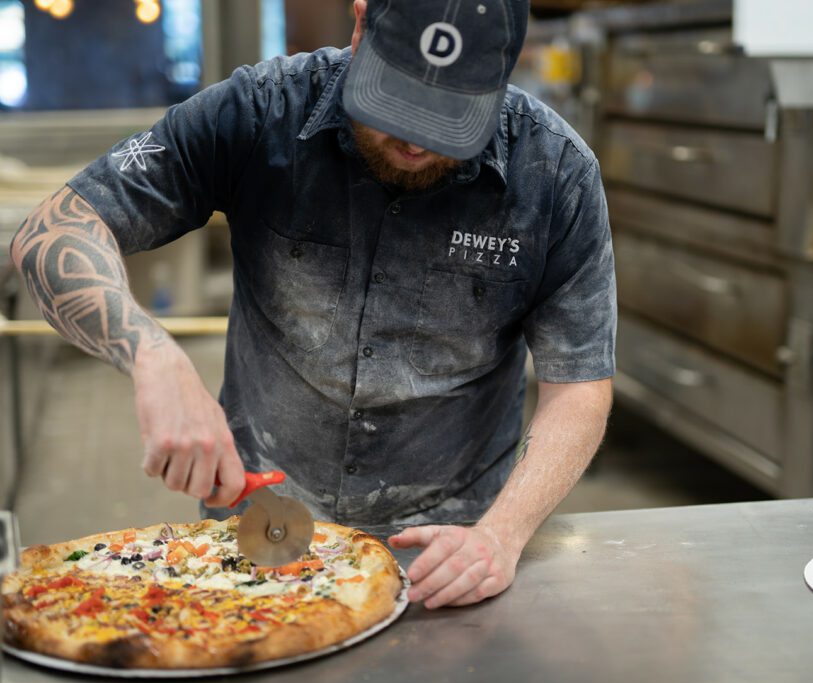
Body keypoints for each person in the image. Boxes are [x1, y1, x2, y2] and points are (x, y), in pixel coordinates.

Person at [9, 0, 615, 609]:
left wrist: (502, 534)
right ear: (360, 26)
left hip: (451, 554)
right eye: (396, 101)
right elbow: (54, 231)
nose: (414, 141)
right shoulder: (260, 111)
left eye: (450, 117)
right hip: (259, 532)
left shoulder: (555, 172)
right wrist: (153, 356)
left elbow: (578, 387)